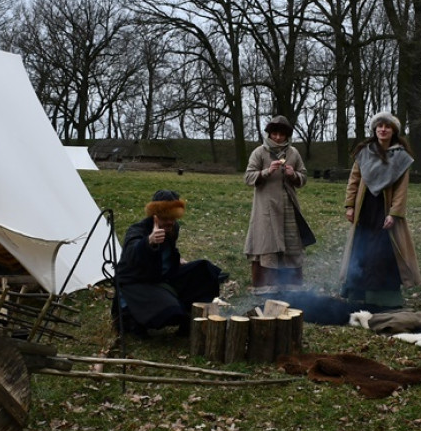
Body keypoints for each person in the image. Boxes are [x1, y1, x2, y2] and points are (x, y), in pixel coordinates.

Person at [112, 190, 227, 336]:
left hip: (163, 277)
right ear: (154, 216)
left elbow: (167, 252)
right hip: (138, 282)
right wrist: (149, 241)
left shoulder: (172, 228)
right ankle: (131, 317)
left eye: (173, 218)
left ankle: (195, 314)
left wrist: (176, 260)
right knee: (171, 312)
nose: (170, 222)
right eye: (165, 218)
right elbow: (131, 253)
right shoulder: (138, 229)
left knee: (204, 269)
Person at [339, 112, 421, 308]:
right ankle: (357, 293)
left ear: (394, 131)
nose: (383, 129)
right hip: (364, 208)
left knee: (381, 253)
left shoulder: (401, 157)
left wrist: (394, 213)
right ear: (375, 129)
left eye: (387, 126)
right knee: (360, 249)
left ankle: (382, 298)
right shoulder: (364, 152)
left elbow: (401, 190)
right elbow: (354, 181)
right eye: (380, 126)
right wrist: (350, 205)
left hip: (384, 210)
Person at [243, 115, 315, 291]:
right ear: (269, 133)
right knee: (267, 244)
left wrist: (293, 174)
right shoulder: (259, 152)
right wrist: (267, 171)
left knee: (291, 245)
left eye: (281, 134)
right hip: (266, 208)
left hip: (289, 206)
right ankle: (265, 288)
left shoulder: (293, 153)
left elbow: (303, 177)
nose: (277, 137)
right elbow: (248, 177)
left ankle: (291, 288)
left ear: (286, 135)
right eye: (274, 134)